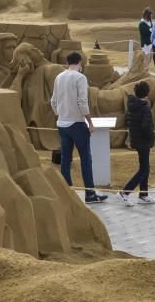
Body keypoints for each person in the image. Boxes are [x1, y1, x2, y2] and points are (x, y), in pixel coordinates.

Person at [50, 52, 108, 204]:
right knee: (85, 159)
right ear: (80, 63)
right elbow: (82, 102)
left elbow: (53, 101)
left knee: (65, 159)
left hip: (62, 124)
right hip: (77, 123)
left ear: (67, 61)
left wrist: (60, 114)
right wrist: (90, 122)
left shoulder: (59, 77)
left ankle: (67, 193)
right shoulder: (80, 77)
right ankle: (90, 194)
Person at [116, 81, 155, 206]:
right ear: (147, 93)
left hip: (136, 139)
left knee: (145, 167)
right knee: (144, 169)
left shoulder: (132, 103)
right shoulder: (145, 107)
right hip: (143, 141)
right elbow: (146, 126)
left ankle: (143, 195)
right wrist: (152, 137)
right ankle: (125, 192)